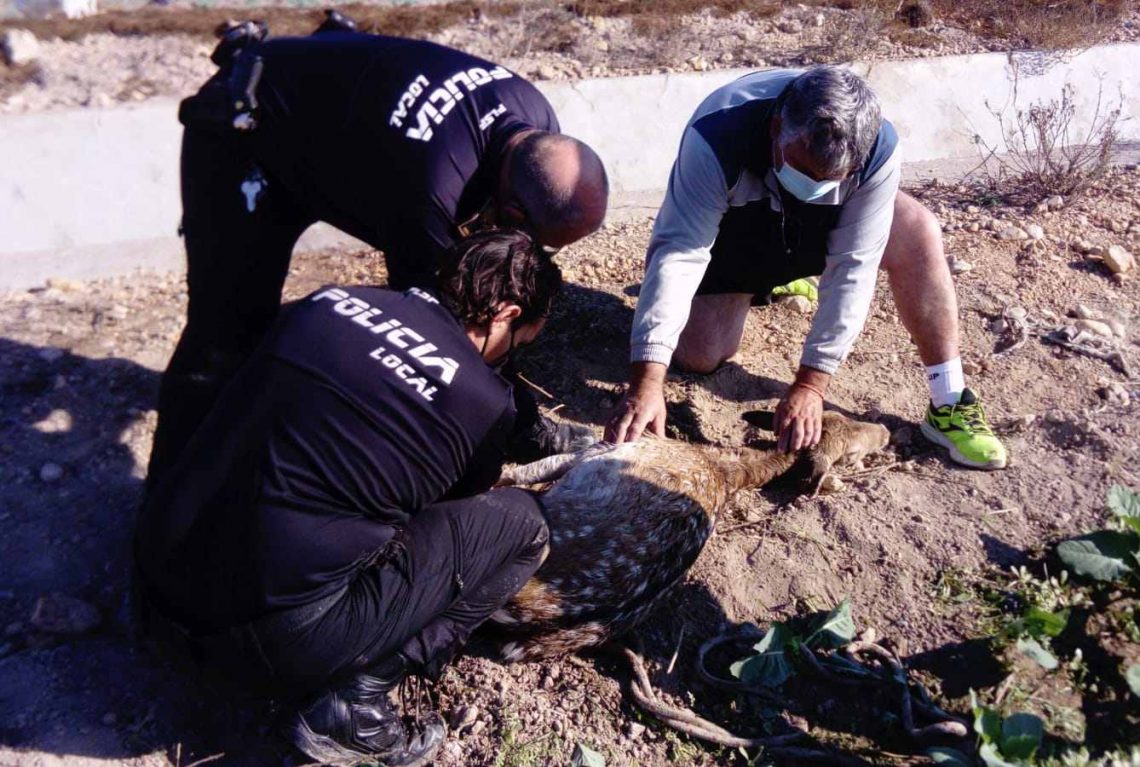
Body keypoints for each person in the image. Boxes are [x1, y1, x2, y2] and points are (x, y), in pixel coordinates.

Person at [135, 230, 561, 766]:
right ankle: (357, 702)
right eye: (520, 341)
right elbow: (450, 508)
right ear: (507, 314)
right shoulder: (482, 400)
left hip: (154, 577)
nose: (511, 357)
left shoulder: (328, 301)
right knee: (521, 525)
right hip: (258, 647)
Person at [149, 19, 608, 484]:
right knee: (224, 331)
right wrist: (502, 423)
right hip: (248, 132)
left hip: (334, 129)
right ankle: (168, 498)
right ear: (512, 209)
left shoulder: (538, 124)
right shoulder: (434, 188)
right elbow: (441, 329)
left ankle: (250, 422)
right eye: (542, 243)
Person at [606, 66, 1007, 470]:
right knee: (698, 355)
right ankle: (764, 282)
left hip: (821, 229)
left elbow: (853, 266)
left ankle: (949, 401)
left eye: (832, 177)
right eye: (804, 170)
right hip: (739, 225)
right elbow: (681, 252)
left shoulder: (876, 147)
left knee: (918, 230)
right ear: (779, 128)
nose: (816, 184)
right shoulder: (717, 133)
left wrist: (811, 383)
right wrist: (647, 382)